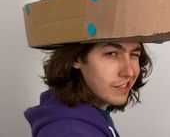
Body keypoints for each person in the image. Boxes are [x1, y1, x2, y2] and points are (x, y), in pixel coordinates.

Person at [24, 41, 153, 137]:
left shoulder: (91, 112)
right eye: (111, 54)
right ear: (75, 58)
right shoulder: (70, 133)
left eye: (134, 54)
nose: (129, 72)